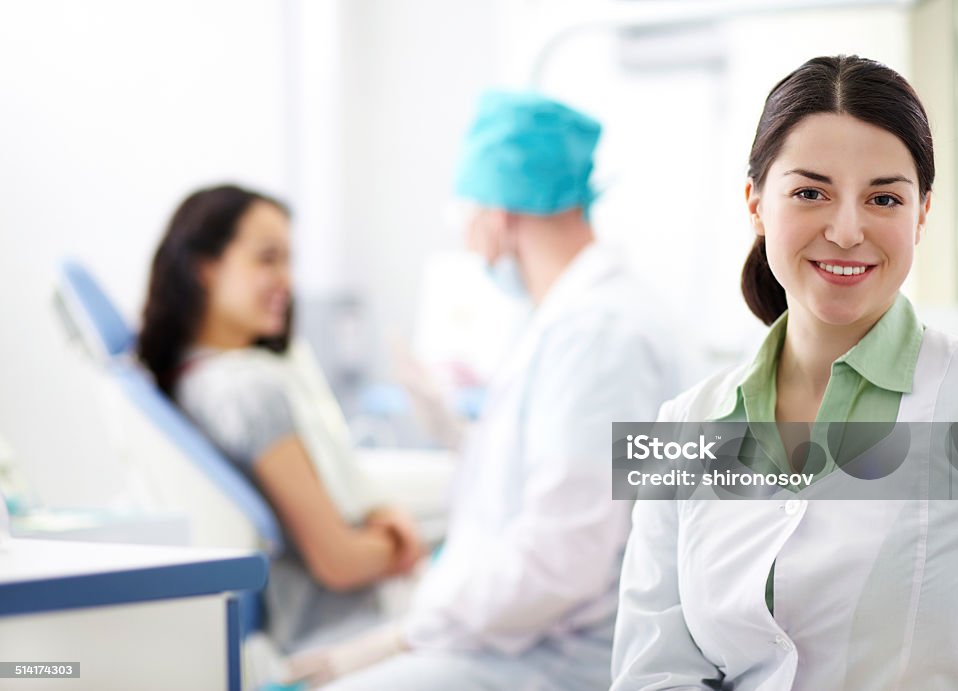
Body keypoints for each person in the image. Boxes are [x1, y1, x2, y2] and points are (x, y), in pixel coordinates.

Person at [611, 55, 958, 690]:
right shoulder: (678, 426)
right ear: (754, 202)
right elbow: (650, 668)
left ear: (922, 213)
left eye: (883, 197)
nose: (848, 229)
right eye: (810, 192)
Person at [294, 91, 683, 690]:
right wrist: (459, 434)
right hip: (528, 639)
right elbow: (563, 477)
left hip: (560, 659)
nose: (469, 243)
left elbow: (563, 556)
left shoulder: (598, 336)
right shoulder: (574, 320)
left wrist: (407, 633)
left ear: (499, 216)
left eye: (465, 219)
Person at [138, 184, 424, 654]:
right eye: (267, 259)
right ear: (202, 267)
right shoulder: (249, 392)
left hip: (344, 624)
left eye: (288, 261)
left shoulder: (197, 378)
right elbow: (340, 561)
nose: (286, 282)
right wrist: (402, 542)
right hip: (340, 635)